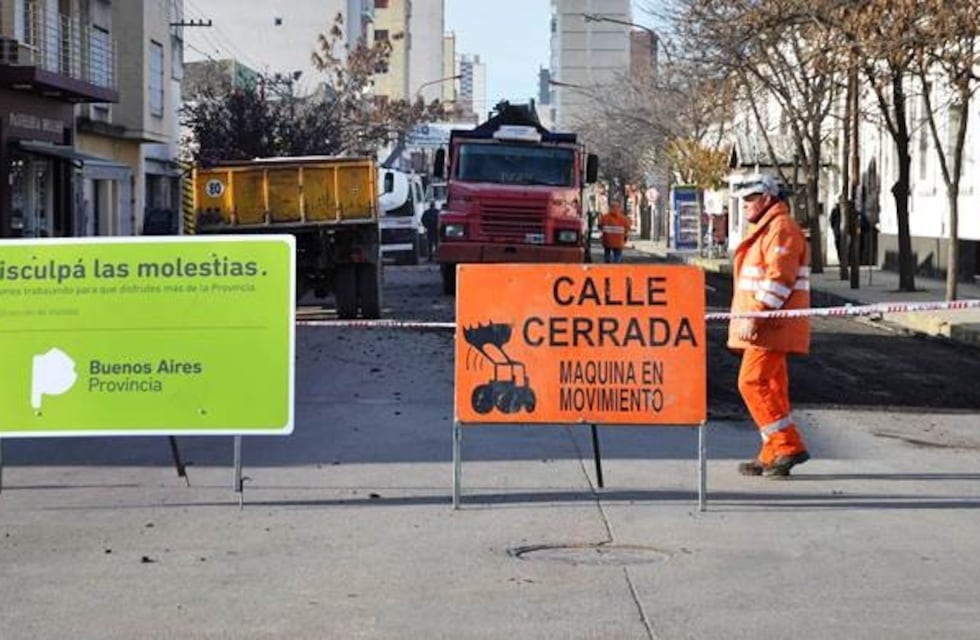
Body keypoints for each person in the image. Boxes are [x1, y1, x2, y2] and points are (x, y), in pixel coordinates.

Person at [729, 174, 811, 477]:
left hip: (771, 327)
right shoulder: (769, 228)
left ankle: (788, 445)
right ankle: (772, 453)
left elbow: (779, 278)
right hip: (770, 326)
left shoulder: (781, 228)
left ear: (767, 199)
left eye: (750, 199)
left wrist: (756, 315)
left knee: (751, 383)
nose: (745, 205)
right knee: (773, 389)